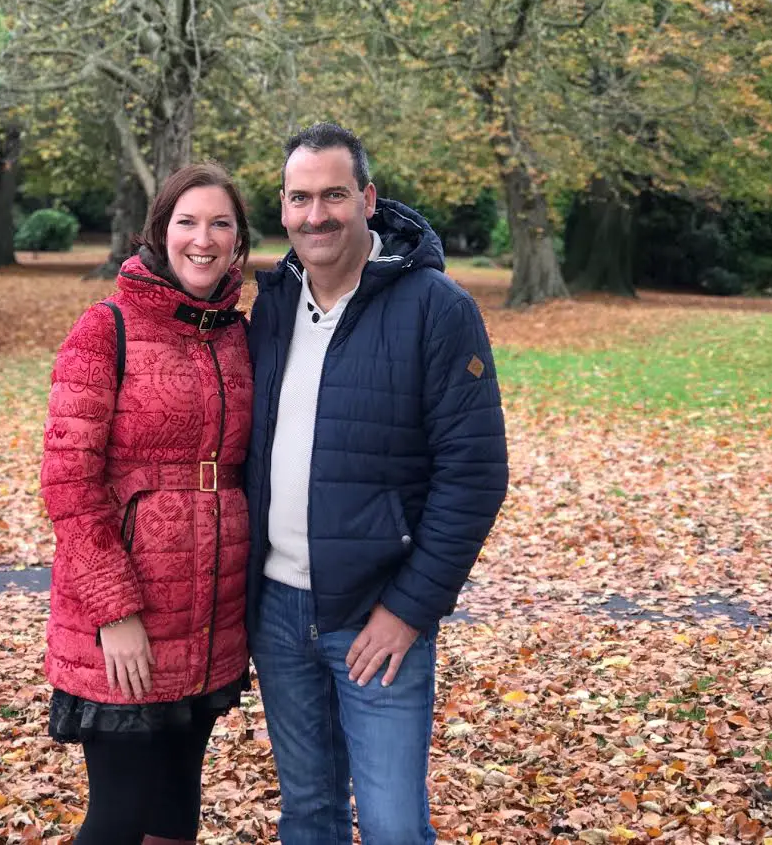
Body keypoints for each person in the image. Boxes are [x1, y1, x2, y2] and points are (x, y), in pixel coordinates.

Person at [244, 122, 509, 844]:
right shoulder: (270, 307)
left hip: (375, 614)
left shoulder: (435, 307)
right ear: (283, 208)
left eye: (333, 194)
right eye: (300, 198)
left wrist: (409, 607)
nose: (316, 214)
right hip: (276, 609)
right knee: (309, 813)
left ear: (366, 199)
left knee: (392, 825)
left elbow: (475, 473)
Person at [40, 163, 254, 845]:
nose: (203, 238)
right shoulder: (105, 328)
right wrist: (115, 611)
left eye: (220, 223)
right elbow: (68, 483)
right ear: (159, 233)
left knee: (173, 810)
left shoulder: (236, 334)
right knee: (119, 817)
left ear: (239, 241)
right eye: (186, 222)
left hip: (210, 614)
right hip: (127, 613)